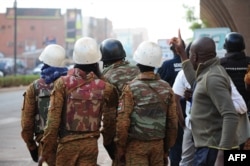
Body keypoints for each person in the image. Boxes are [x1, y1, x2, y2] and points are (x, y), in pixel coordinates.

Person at [38, 37, 118, 166]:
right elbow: (112, 116)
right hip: (90, 146)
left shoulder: (62, 83)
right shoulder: (105, 87)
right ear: (97, 60)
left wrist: (45, 151)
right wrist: (109, 142)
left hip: (67, 145)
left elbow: (53, 121)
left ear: (75, 58)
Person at [170, 30, 239, 166]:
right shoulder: (209, 72)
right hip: (209, 148)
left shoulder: (213, 78)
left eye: (190, 55)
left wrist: (221, 155)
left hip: (213, 150)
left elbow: (230, 115)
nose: (189, 58)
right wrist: (182, 53)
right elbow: (195, 82)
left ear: (195, 57)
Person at [115, 41, 178, 166]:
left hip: (136, 147)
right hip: (158, 146)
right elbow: (173, 122)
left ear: (138, 62)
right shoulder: (166, 88)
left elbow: (123, 122)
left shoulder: (131, 88)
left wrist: (120, 147)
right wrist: (166, 148)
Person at [21, 44, 68, 165]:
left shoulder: (35, 87)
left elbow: (27, 124)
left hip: (46, 145)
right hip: (69, 144)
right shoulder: (72, 85)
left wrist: (32, 147)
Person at [100, 38, 140, 162]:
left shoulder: (105, 78)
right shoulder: (139, 71)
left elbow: (109, 115)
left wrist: (108, 142)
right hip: (144, 131)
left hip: (121, 133)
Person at [157, 39, 186, 166]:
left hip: (173, 112)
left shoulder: (166, 66)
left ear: (171, 50)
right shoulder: (193, 65)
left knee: (176, 144)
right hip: (193, 111)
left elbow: (158, 86)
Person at [172, 42, 195, 166]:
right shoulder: (219, 72)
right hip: (215, 126)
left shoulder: (183, 74)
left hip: (191, 126)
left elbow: (174, 100)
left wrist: (182, 123)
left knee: (186, 161)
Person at [220, 32, 250, 114]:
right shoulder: (249, 62)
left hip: (228, 110)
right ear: (243, 46)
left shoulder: (220, 64)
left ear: (225, 47)